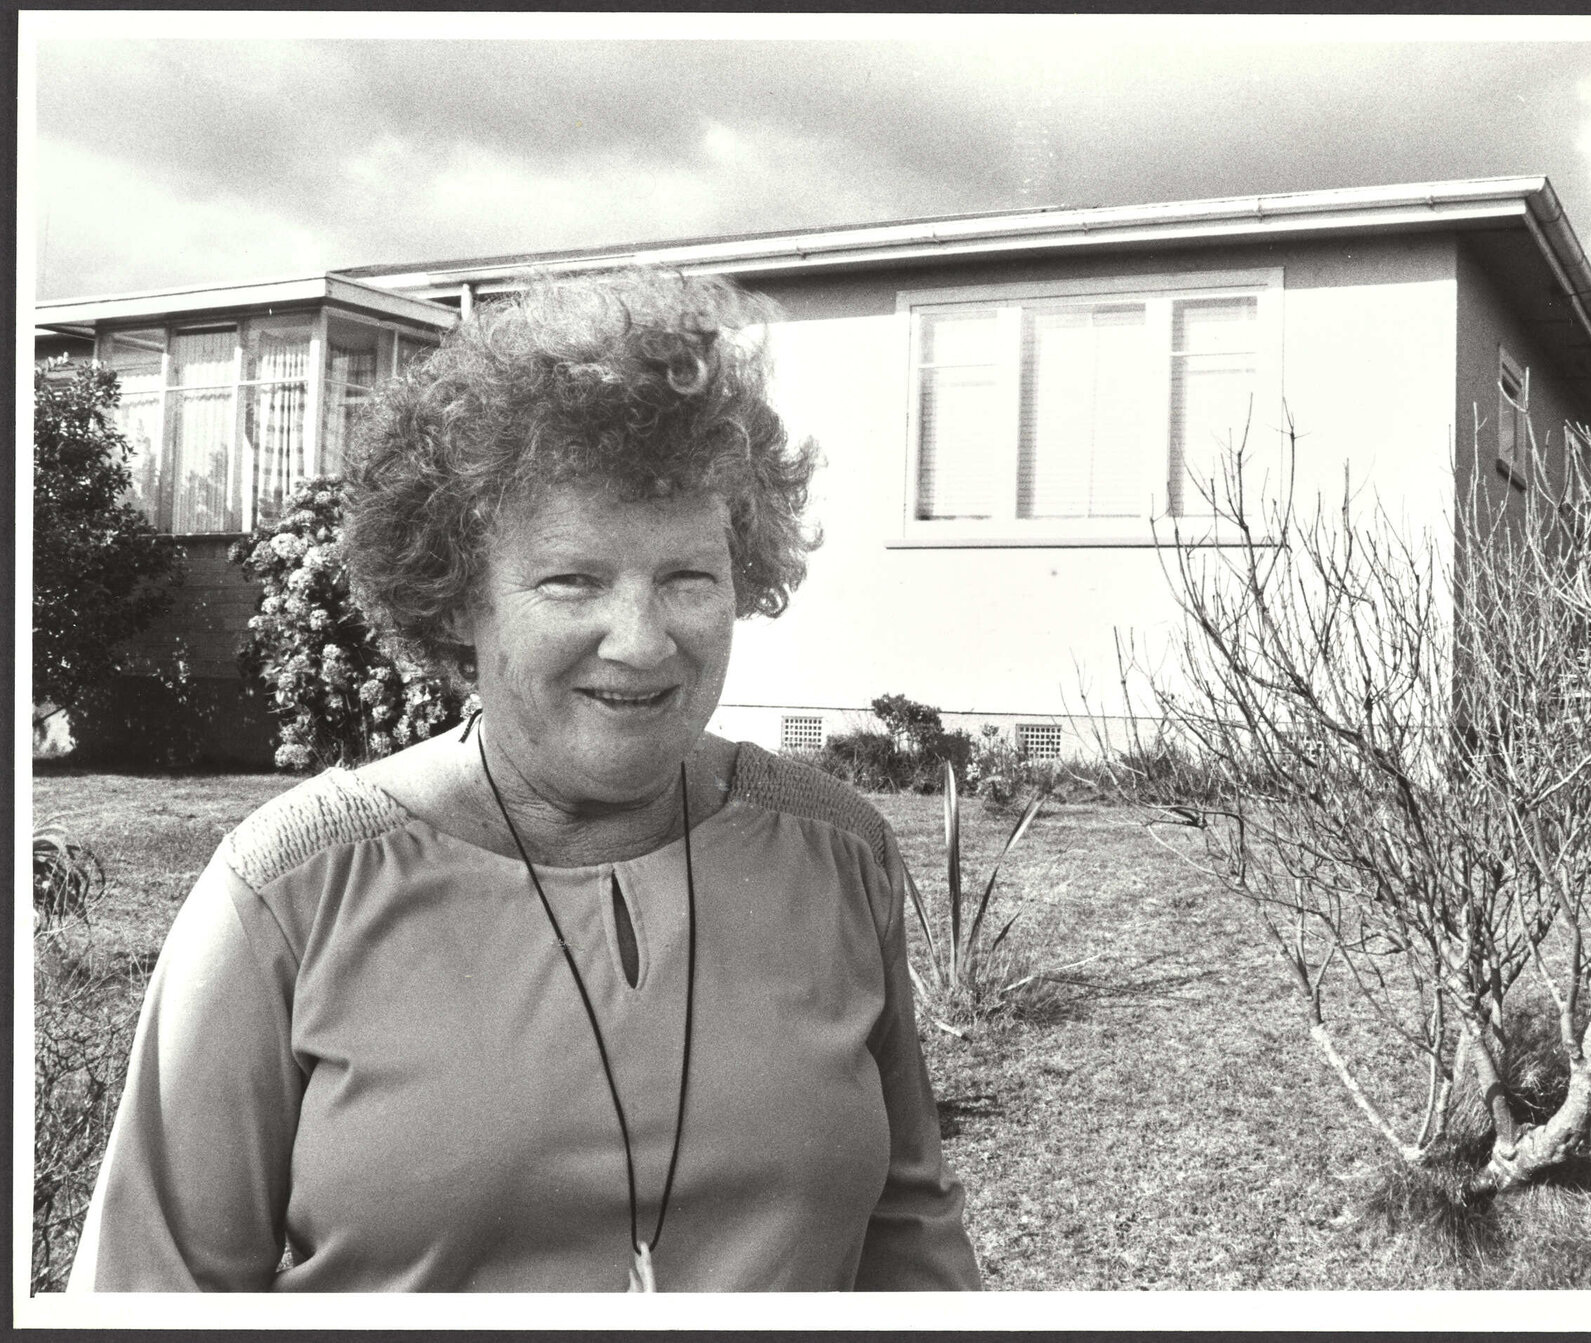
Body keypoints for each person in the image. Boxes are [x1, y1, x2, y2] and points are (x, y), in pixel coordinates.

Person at [70, 271, 982, 1293]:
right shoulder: (291, 891)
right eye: (572, 580)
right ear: (459, 600)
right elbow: (151, 1290)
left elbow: (911, 1244)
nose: (640, 642)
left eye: (687, 577)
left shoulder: (836, 854)